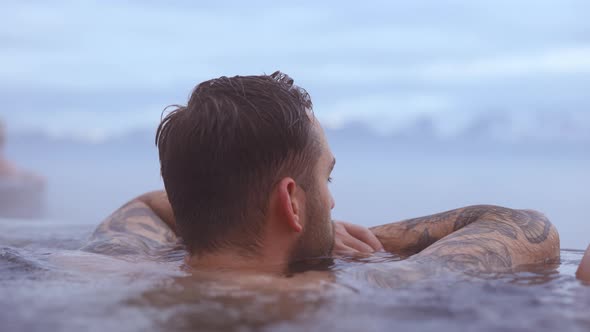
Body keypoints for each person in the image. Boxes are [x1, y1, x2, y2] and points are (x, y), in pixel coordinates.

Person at [83, 72, 559, 280]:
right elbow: (522, 226)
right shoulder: (343, 296)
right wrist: (344, 239)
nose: (331, 203)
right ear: (291, 202)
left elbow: (148, 203)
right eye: (326, 181)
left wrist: (305, 231)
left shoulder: (114, 266)